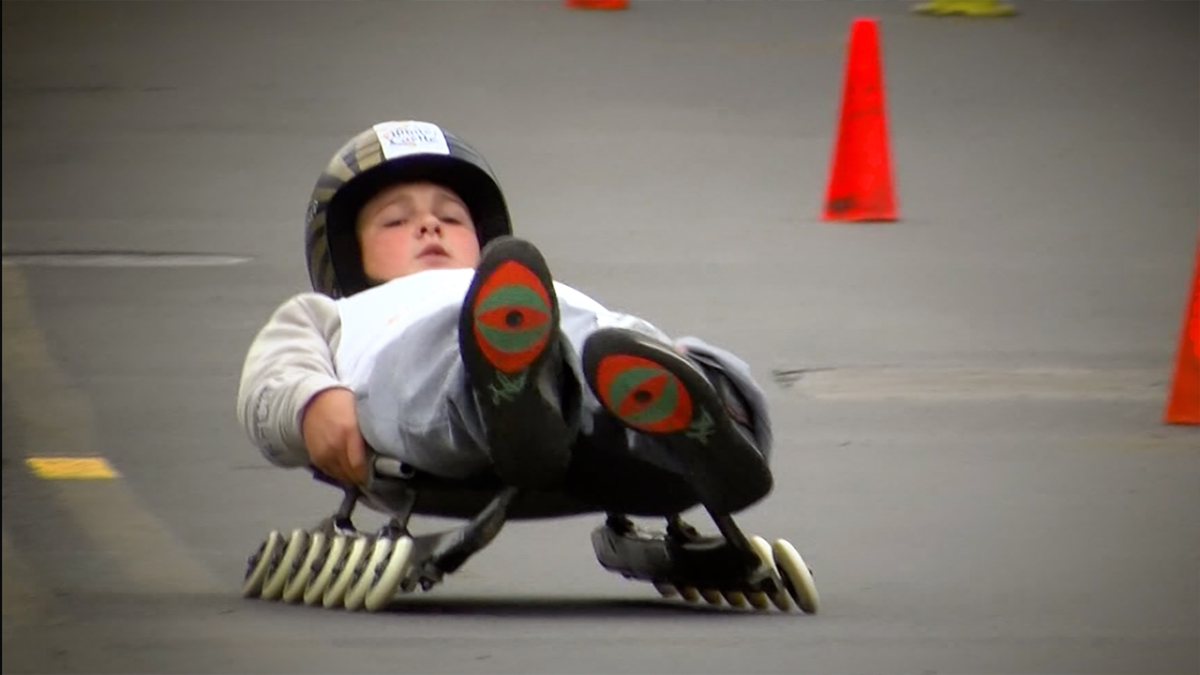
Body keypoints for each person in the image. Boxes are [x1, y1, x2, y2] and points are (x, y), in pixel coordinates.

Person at [235, 120, 775, 517]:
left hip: (557, 351)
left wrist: (666, 355)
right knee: (438, 363)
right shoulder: (338, 313)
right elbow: (271, 375)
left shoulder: (530, 292)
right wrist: (312, 406)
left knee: (625, 343)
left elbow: (622, 338)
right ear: (348, 256)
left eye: (450, 216)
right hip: (429, 373)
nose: (429, 226)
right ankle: (503, 396)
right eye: (396, 220)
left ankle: (713, 421)